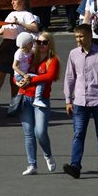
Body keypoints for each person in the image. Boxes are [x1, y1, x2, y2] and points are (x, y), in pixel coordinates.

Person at [62, 24, 98, 179]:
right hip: (80, 102)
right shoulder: (73, 54)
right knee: (78, 134)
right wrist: (68, 100)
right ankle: (75, 166)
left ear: (89, 36)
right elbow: (69, 78)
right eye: (76, 37)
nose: (78, 40)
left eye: (81, 36)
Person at [0, 0, 39, 120]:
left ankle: (14, 108)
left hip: (18, 48)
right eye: (12, 0)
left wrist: (20, 23)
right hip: (5, 48)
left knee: (14, 81)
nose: (12, 2)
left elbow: (35, 28)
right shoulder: (10, 14)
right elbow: (2, 30)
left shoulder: (28, 15)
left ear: (23, 0)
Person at [15, 31, 60, 175]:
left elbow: (50, 76)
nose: (41, 45)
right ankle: (32, 165)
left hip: (41, 99)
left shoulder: (53, 60)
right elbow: (16, 71)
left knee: (40, 132)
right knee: (28, 134)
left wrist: (30, 79)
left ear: (50, 44)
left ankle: (48, 155)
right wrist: (18, 81)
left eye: (44, 42)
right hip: (24, 97)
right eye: (38, 42)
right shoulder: (28, 55)